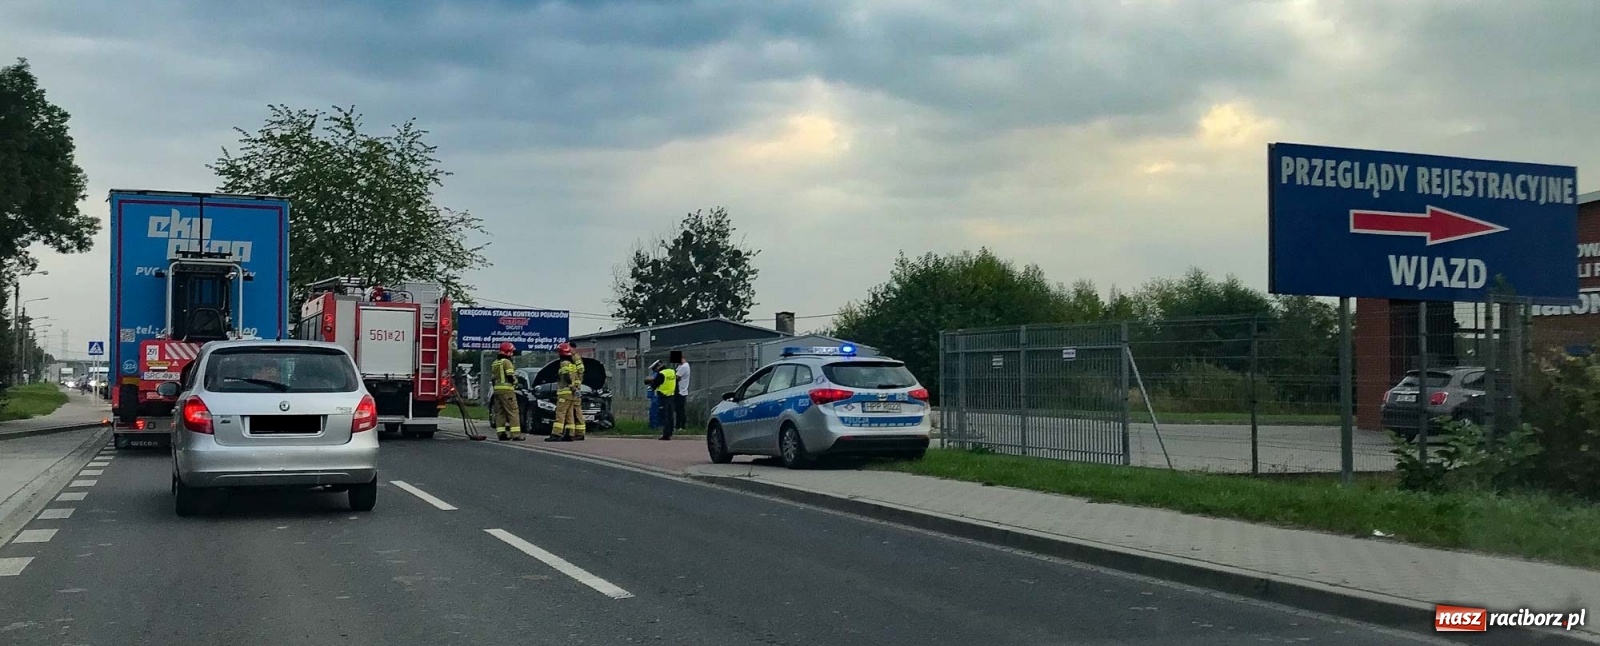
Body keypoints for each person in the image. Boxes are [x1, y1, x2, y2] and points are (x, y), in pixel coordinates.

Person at [548, 342, 587, 442]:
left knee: (560, 413)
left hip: (566, 392)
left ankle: (556, 434)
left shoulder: (566, 363)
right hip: (572, 392)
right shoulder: (572, 363)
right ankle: (570, 433)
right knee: (570, 414)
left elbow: (567, 376)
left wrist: (573, 386)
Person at [489, 342, 524, 441]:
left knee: (500, 413)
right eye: (511, 351)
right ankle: (516, 434)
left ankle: (501, 434)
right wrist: (516, 382)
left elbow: (493, 378)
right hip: (507, 391)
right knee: (513, 411)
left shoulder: (495, 363)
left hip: (497, 391)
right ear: (509, 352)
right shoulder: (507, 362)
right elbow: (510, 375)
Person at [654, 358, 678, 440]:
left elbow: (654, 385)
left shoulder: (661, 374)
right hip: (671, 396)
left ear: (658, 367)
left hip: (663, 397)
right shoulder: (672, 371)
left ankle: (666, 434)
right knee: (670, 415)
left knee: (665, 416)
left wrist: (651, 381)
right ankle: (670, 432)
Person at [671, 350, 690, 435]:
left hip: (681, 391)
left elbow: (676, 377)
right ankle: (677, 425)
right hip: (677, 390)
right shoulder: (679, 366)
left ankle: (681, 426)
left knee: (680, 410)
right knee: (677, 409)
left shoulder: (685, 366)